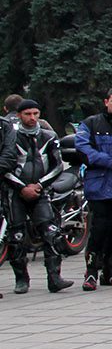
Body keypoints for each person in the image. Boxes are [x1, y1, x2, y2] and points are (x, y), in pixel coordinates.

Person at [3, 100, 73, 293]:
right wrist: (21, 187)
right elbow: (4, 166)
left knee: (51, 233)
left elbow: (57, 166)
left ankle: (54, 278)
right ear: (19, 115)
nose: (32, 118)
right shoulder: (10, 137)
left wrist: (40, 185)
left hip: (40, 191)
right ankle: (21, 280)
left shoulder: (49, 136)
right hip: (15, 192)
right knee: (16, 236)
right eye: (27, 114)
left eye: (35, 113)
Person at [75, 87, 112, 290]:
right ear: (106, 102)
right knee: (99, 229)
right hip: (100, 185)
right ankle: (91, 272)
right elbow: (83, 149)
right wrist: (111, 162)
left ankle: (109, 272)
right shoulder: (91, 123)